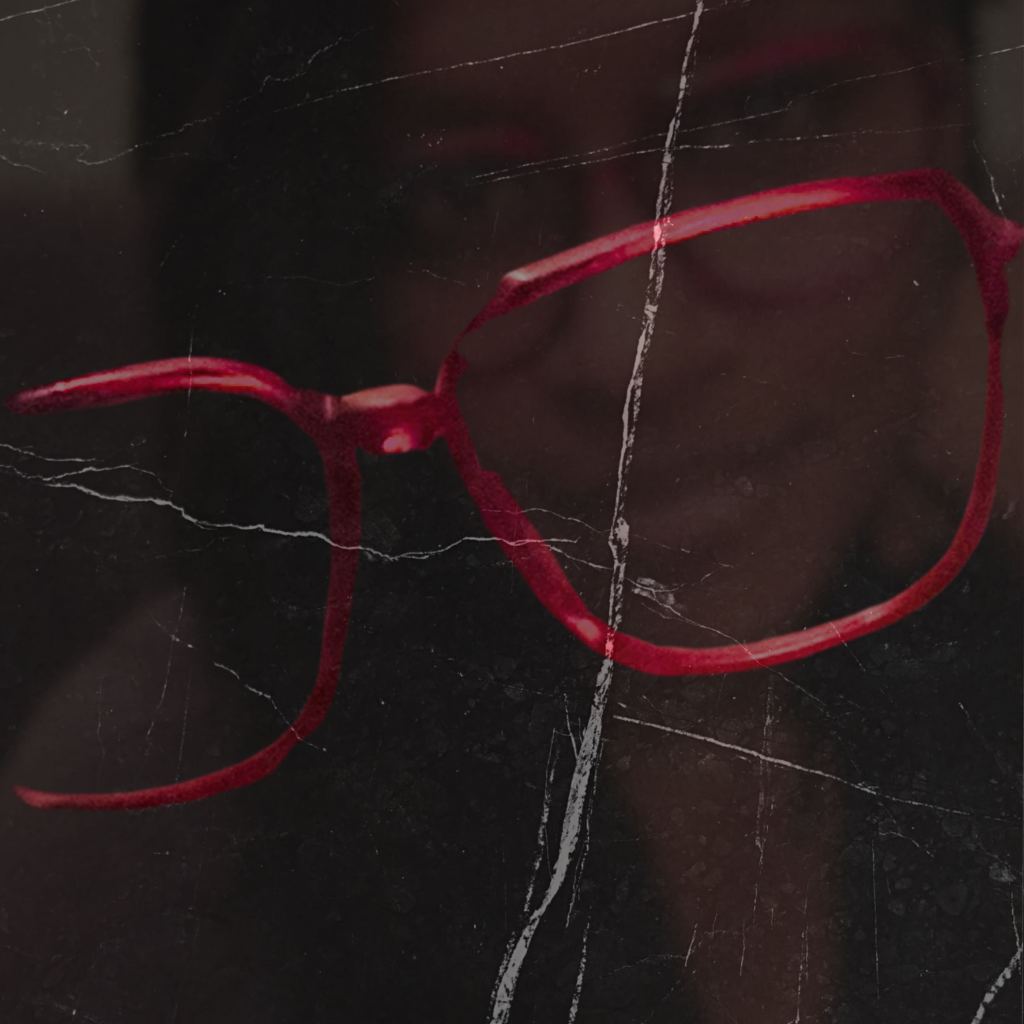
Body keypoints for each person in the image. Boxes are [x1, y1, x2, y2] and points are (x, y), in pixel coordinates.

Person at [0, 2, 1020, 1021]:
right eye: (462, 197)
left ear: (946, 116)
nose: (629, 357)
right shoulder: (160, 856)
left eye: (759, 120)